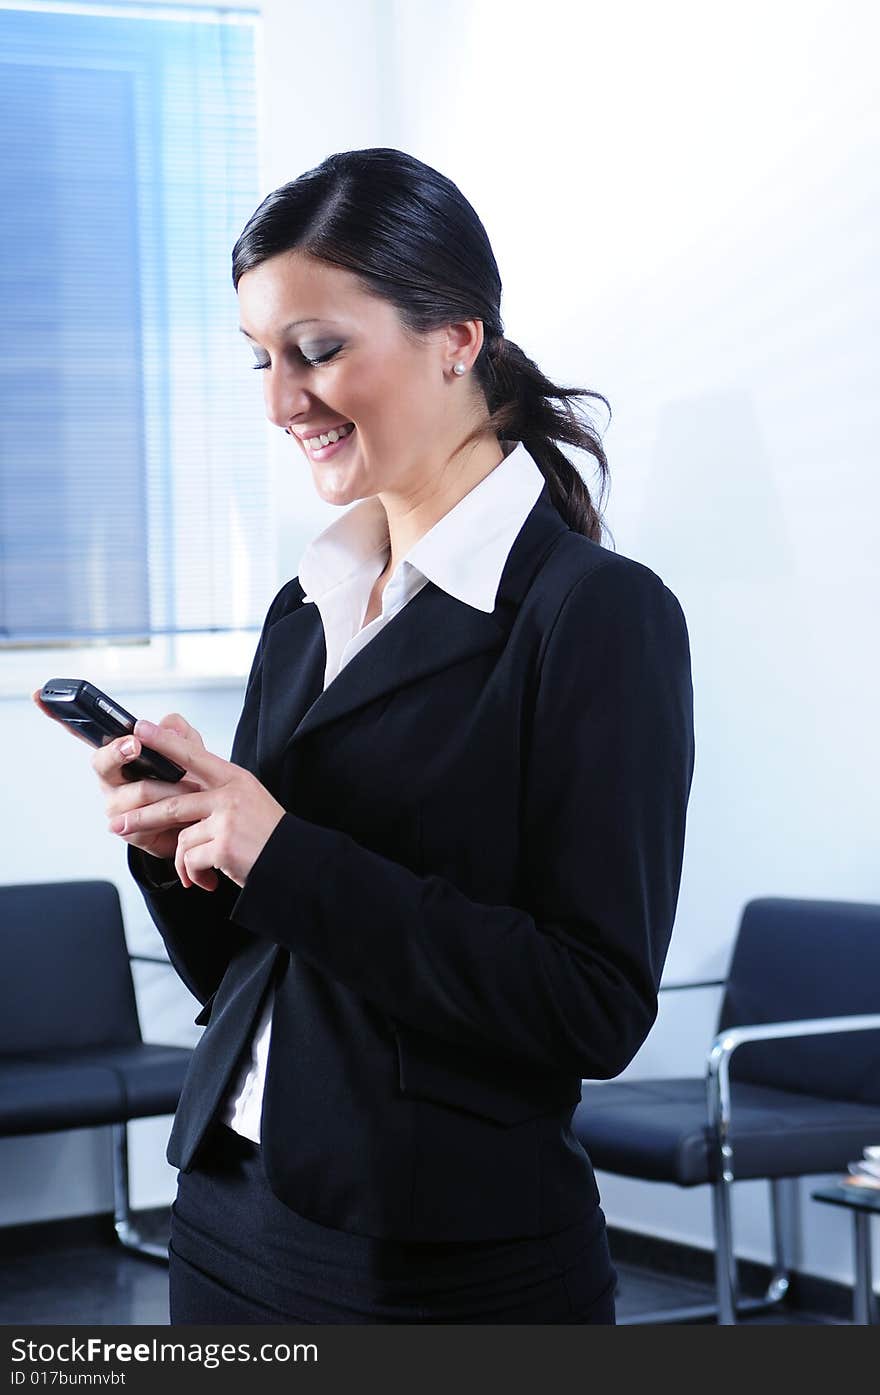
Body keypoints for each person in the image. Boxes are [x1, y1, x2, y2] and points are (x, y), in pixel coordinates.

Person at [60, 148, 695, 1324]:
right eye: (260, 358)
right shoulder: (307, 606)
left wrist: (282, 850)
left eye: (317, 349)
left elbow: (592, 1007)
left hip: (433, 1261)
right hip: (225, 1213)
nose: (277, 400)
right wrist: (180, 843)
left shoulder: (594, 615)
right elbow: (258, 971)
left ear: (457, 336)